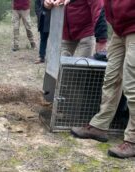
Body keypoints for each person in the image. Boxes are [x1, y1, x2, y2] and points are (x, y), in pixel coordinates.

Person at [49, 0, 135, 159]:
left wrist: (101, 37)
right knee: (111, 79)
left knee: (132, 85)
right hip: (119, 28)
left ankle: (132, 140)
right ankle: (100, 126)